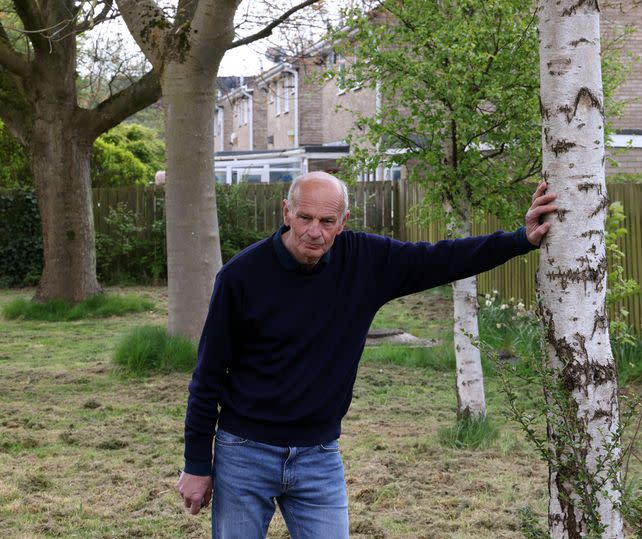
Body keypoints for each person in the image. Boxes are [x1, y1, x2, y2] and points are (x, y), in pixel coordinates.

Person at [176, 171, 557, 538]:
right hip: (244, 452)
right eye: (305, 217)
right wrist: (196, 463)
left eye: (327, 221)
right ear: (286, 212)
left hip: (319, 456)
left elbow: (440, 258)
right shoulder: (241, 276)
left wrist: (520, 239)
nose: (314, 231)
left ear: (343, 222)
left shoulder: (365, 261)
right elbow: (207, 376)